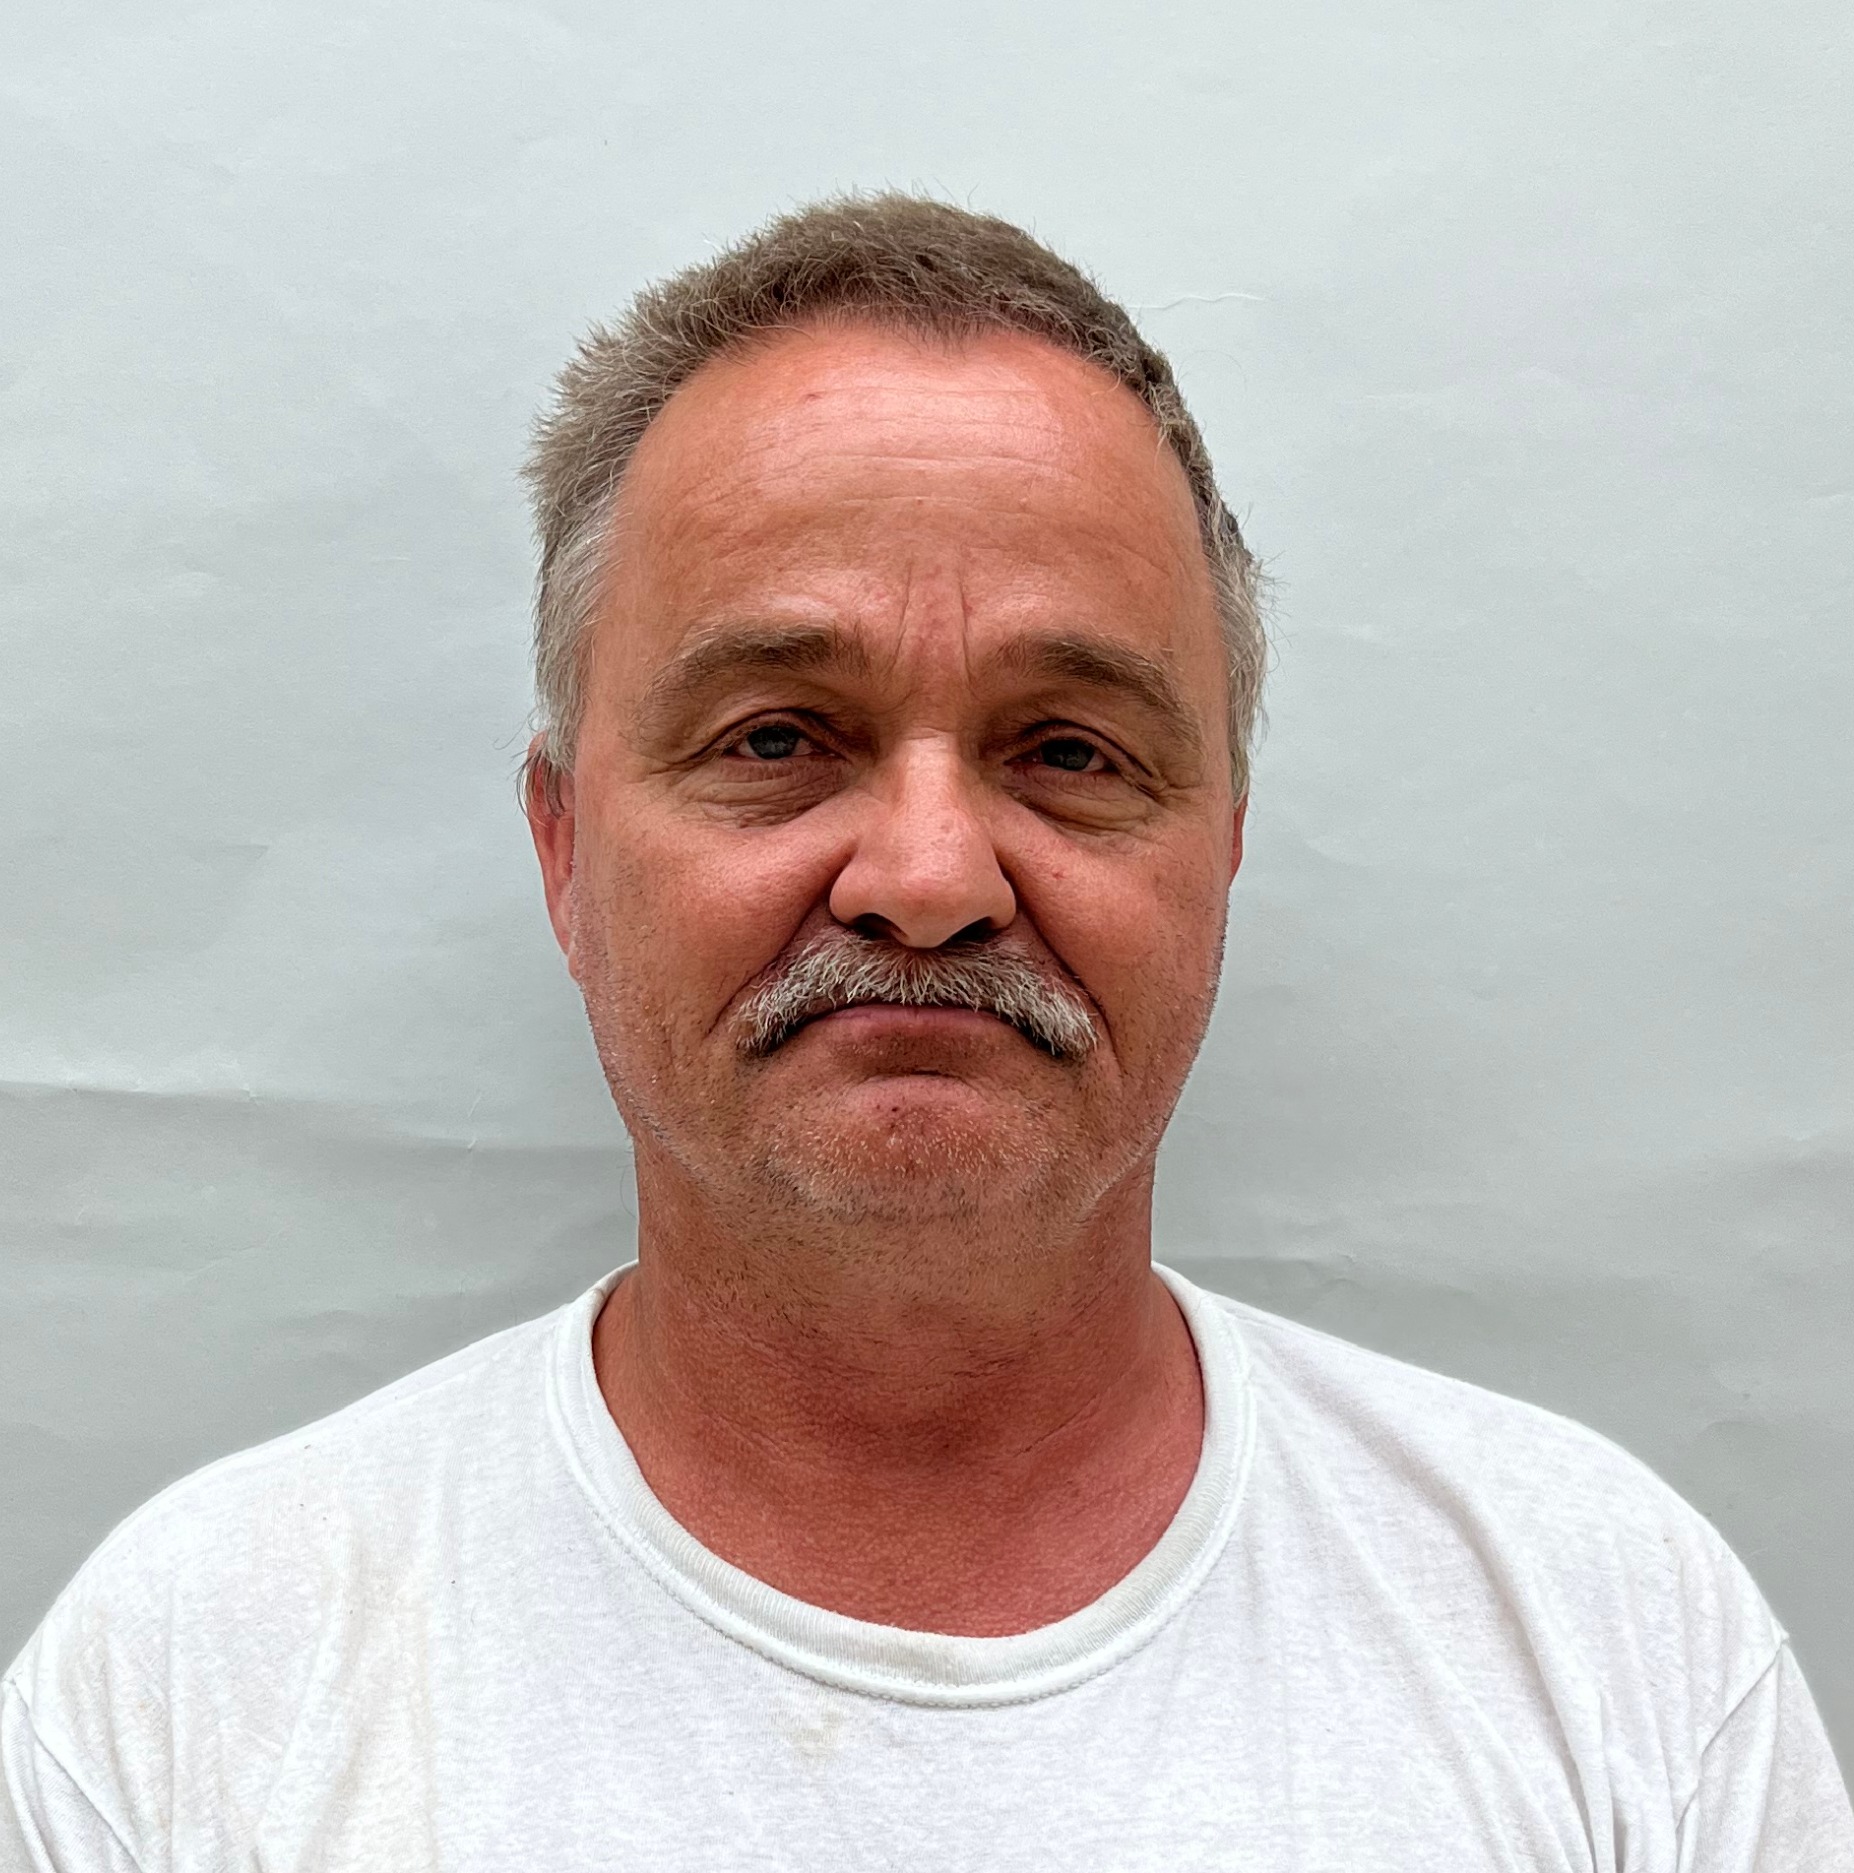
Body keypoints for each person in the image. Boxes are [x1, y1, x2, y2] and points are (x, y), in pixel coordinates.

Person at [3, 194, 1848, 1873]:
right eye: (774, 737)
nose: (927, 877)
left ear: (1219, 854)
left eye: (1068, 750)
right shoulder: (184, 1697)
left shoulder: (1613, 1646)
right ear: (566, 855)